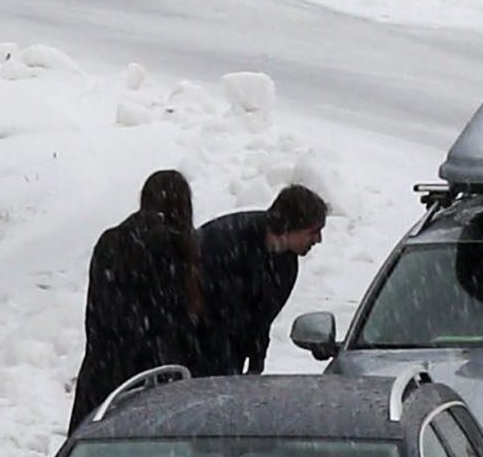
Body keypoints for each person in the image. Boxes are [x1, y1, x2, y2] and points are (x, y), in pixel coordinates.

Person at [70, 170, 202, 429]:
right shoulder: (179, 249)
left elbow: (101, 312)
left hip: (103, 373)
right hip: (156, 378)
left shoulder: (112, 241)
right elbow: (176, 320)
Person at [193, 184, 330, 375]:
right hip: (191, 342)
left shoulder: (286, 263)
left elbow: (262, 317)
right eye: (313, 232)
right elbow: (218, 311)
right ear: (289, 226)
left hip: (227, 351)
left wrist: (256, 363)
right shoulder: (224, 242)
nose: (318, 239)